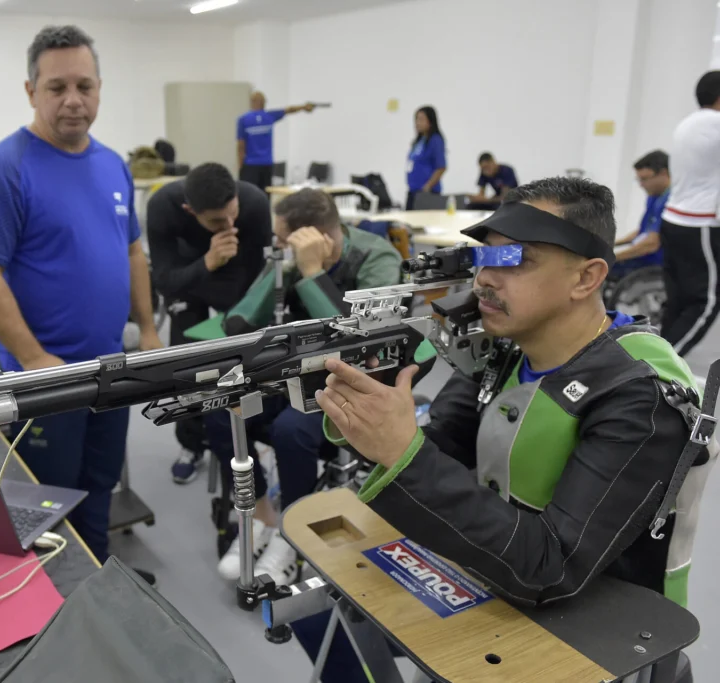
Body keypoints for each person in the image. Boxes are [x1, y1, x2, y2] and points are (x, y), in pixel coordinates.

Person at [309, 177, 701, 681]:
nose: (485, 280)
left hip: (602, 635)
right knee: (328, 616)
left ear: (586, 278)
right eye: (485, 259)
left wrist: (403, 449)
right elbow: (439, 449)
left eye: (515, 259)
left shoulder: (641, 397)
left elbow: (553, 568)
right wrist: (371, 417)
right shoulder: (510, 350)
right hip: (499, 576)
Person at [0, 25, 163, 564]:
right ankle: (55, 608)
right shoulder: (5, 169)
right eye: (56, 88)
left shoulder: (113, 165)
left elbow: (132, 253)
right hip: (46, 379)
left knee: (99, 485)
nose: (73, 101)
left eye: (84, 86)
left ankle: (94, 583)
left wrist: (146, 328)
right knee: (47, 502)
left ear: (99, 88)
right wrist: (34, 360)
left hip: (111, 369)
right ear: (31, 91)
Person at [206, 188, 402, 585]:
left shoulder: (377, 258)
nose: (276, 249)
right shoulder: (288, 256)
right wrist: (287, 268)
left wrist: (314, 273)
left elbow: (363, 348)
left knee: (290, 430)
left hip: (355, 389)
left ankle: (291, 535)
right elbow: (237, 324)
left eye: (283, 241)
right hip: (292, 378)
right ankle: (262, 516)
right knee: (220, 409)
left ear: (319, 237)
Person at [146, 162, 273, 484]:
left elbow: (258, 281)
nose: (230, 225)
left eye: (233, 214)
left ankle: (246, 431)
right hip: (188, 277)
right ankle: (191, 444)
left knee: (247, 355)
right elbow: (164, 282)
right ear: (190, 210)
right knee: (186, 364)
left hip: (237, 277)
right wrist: (208, 261)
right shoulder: (163, 206)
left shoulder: (254, 202)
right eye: (217, 221)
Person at [660, 70, 720, 356]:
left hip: (674, 220)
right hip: (700, 226)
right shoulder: (715, 122)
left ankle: (654, 356)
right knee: (705, 302)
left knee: (679, 301)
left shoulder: (687, 124)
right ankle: (660, 365)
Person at [237, 91, 316, 191]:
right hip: (264, 164)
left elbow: (240, 146)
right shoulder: (268, 116)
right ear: (263, 102)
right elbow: (289, 110)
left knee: (249, 194)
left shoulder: (243, 119)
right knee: (264, 195)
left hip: (251, 165)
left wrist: (241, 167)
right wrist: (303, 107)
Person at [612, 150, 669, 276]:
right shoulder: (653, 197)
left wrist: (610, 259)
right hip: (645, 256)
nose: (641, 185)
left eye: (644, 179)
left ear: (664, 173)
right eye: (638, 180)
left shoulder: (671, 200)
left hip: (657, 262)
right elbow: (643, 232)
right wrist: (610, 243)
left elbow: (651, 244)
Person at [405, 105, 447, 209]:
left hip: (427, 193)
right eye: (416, 119)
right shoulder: (419, 141)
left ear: (431, 121)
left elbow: (441, 167)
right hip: (413, 191)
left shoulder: (435, 140)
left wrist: (427, 187)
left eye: (421, 119)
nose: (417, 123)